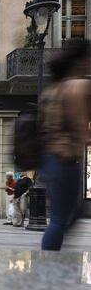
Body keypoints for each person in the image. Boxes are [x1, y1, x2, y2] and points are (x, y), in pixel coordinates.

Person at [39, 40, 91, 251]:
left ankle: (53, 257)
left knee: (68, 214)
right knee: (61, 219)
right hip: (64, 159)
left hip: (48, 159)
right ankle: (49, 266)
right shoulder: (77, 86)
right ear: (80, 60)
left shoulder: (52, 90)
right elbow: (80, 125)